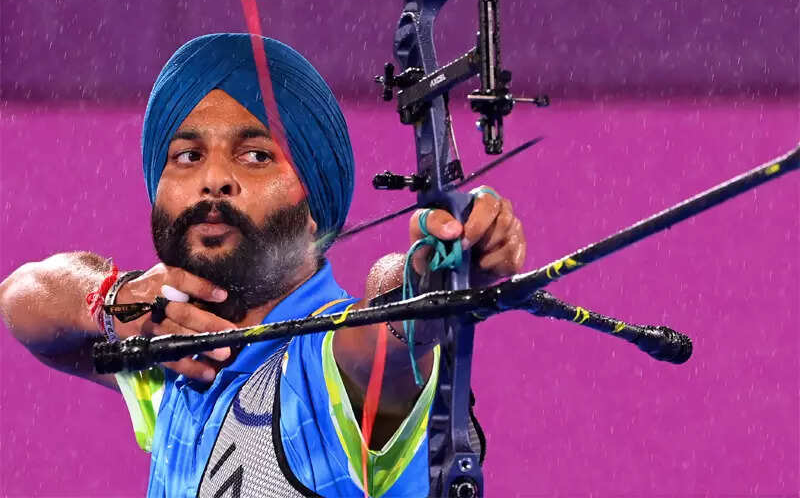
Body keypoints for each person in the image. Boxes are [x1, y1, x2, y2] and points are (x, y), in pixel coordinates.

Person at [0, 33, 526, 497]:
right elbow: (21, 298)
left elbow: (393, 329)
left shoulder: (329, 365)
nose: (214, 180)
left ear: (314, 200)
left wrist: (434, 274)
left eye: (255, 155)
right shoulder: (177, 358)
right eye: (187, 156)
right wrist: (113, 301)